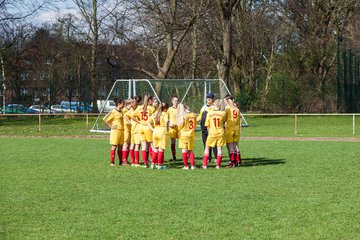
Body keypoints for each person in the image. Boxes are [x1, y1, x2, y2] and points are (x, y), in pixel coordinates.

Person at [202, 99, 228, 169]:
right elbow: (224, 121)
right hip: (220, 132)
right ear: (220, 105)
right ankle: (218, 165)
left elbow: (207, 125)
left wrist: (210, 132)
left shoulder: (209, 113)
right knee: (219, 149)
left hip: (212, 133)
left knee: (207, 148)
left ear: (213, 104)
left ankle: (204, 165)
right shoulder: (223, 113)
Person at [131, 94, 155, 167]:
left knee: (144, 147)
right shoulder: (151, 108)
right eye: (152, 100)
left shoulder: (139, 108)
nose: (153, 101)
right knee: (152, 146)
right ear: (149, 100)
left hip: (141, 127)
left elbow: (132, 116)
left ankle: (145, 163)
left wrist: (139, 121)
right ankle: (154, 162)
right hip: (147, 127)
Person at [147, 102, 169, 170]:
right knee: (161, 149)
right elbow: (166, 122)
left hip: (155, 131)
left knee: (155, 149)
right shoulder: (165, 114)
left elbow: (148, 122)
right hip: (162, 132)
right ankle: (159, 165)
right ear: (165, 109)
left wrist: (152, 129)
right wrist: (167, 129)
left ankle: (152, 164)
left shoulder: (155, 113)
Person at [103, 97, 125, 166]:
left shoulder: (121, 111)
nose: (123, 105)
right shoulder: (113, 112)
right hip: (115, 131)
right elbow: (106, 120)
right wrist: (111, 126)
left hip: (121, 131)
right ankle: (112, 162)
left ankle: (120, 162)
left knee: (120, 147)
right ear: (119, 104)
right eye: (123, 104)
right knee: (114, 146)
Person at [197, 92, 217, 162]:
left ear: (213, 99)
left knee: (213, 143)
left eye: (210, 98)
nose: (208, 99)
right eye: (207, 98)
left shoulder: (214, 107)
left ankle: (217, 157)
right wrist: (196, 120)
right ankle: (208, 158)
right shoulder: (203, 107)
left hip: (211, 128)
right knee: (205, 143)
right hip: (203, 128)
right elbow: (200, 116)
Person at [177, 104, 197, 170]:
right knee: (191, 150)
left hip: (184, 134)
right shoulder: (193, 115)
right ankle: (192, 166)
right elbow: (195, 125)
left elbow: (180, 126)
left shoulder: (183, 116)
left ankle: (186, 166)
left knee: (184, 150)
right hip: (191, 134)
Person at [224, 95, 240, 167]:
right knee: (234, 145)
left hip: (229, 129)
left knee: (230, 146)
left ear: (228, 101)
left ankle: (232, 162)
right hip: (236, 129)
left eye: (225, 100)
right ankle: (237, 161)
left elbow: (224, 119)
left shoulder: (227, 109)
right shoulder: (237, 109)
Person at [125, 95, 142, 167]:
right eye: (133, 102)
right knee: (136, 146)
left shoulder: (136, 109)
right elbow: (125, 116)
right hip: (136, 130)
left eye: (133, 102)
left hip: (134, 129)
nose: (132, 104)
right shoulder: (137, 109)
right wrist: (136, 121)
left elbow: (125, 116)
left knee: (133, 145)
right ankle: (136, 162)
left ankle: (133, 162)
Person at [167, 96, 179, 161]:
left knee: (184, 141)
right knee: (173, 142)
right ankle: (174, 156)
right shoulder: (169, 109)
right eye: (175, 101)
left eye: (177, 101)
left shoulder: (180, 109)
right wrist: (169, 124)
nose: (176, 102)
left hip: (179, 128)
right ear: (172, 101)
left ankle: (187, 156)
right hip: (172, 128)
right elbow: (166, 119)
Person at [121, 99, 133, 165]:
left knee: (128, 145)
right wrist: (130, 122)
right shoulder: (124, 110)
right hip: (126, 129)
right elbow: (124, 117)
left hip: (131, 129)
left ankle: (126, 159)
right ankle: (124, 160)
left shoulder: (131, 110)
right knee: (125, 144)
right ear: (130, 103)